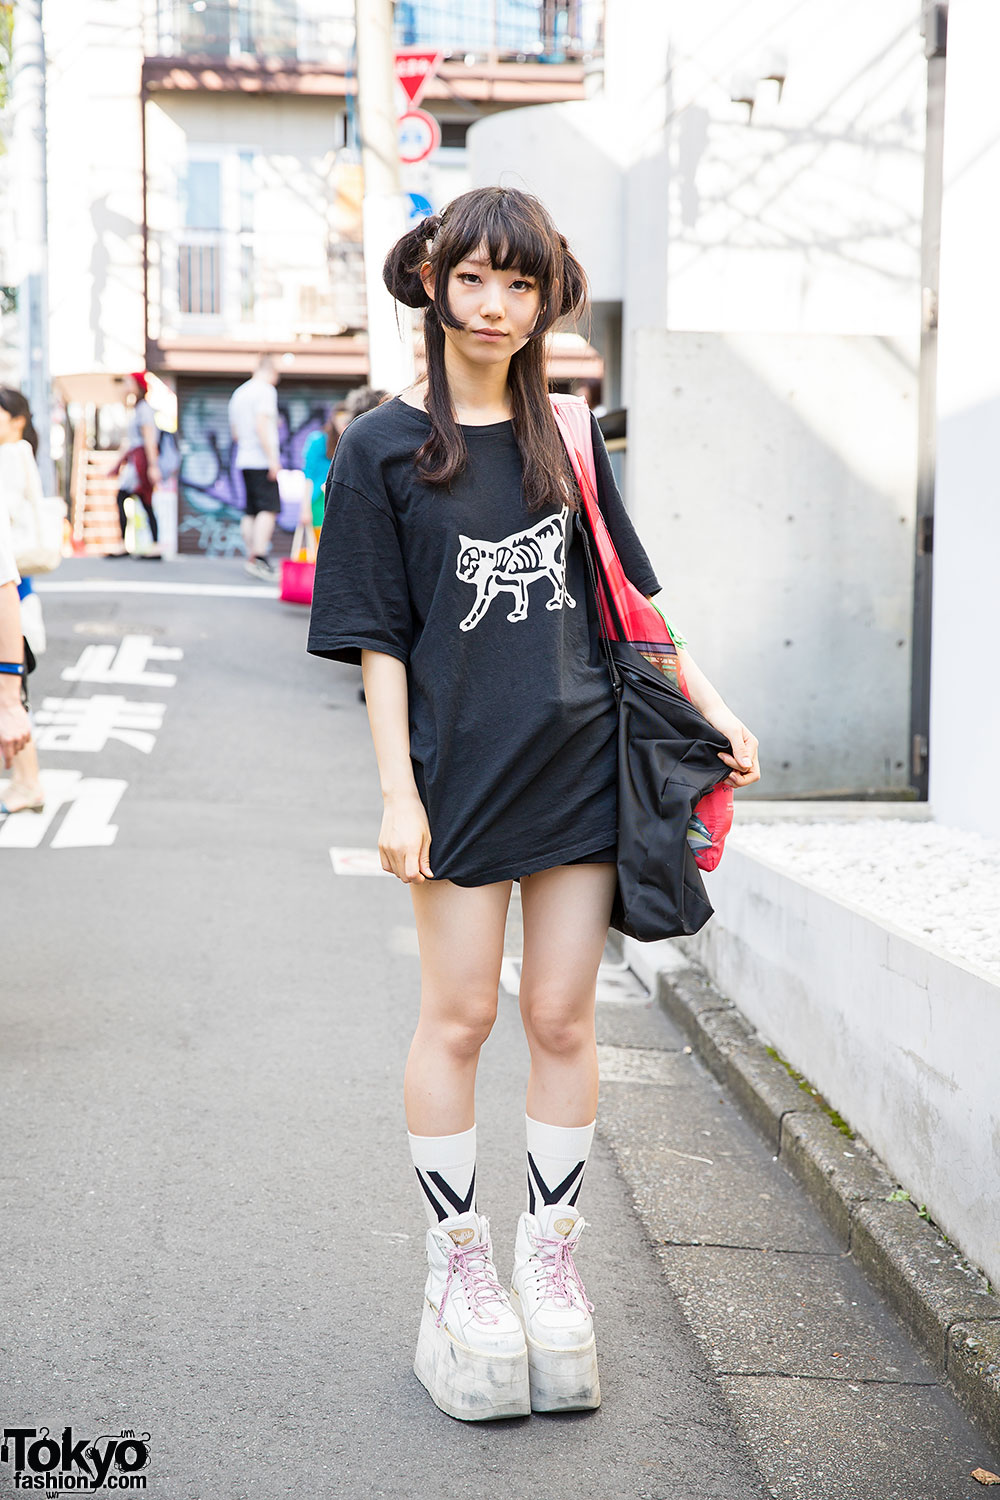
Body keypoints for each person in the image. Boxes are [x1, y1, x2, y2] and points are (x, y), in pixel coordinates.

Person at [307, 187, 761, 1423]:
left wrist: (710, 705)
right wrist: (397, 793)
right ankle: (459, 1273)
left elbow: (627, 596)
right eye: (473, 280)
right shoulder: (380, 446)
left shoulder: (569, 430)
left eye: (520, 285)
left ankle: (548, 1267)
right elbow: (376, 639)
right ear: (434, 284)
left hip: (579, 767)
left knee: (562, 1017)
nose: (495, 307)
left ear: (543, 296)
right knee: (456, 1017)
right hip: (458, 775)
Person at [0, 388, 45, 813]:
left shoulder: (11, 455)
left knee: (13, 697)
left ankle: (28, 784)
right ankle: (26, 783)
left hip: (14, 591)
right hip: (15, 586)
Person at [299, 387, 390, 536]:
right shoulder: (318, 441)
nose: (344, 423)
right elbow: (308, 476)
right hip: (320, 501)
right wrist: (305, 508)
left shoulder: (358, 440)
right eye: (341, 418)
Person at [229, 354, 281, 581]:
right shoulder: (265, 391)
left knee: (250, 510)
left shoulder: (239, 393)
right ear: (270, 370)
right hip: (260, 460)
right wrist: (272, 459)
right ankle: (259, 558)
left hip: (244, 459)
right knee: (268, 509)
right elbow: (261, 425)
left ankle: (252, 556)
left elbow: (235, 433)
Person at [106, 372, 162, 559]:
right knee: (142, 502)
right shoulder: (136, 408)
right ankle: (150, 544)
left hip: (141, 463)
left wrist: (153, 466)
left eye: (130, 383)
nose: (126, 387)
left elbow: (149, 439)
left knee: (134, 499)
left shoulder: (144, 409)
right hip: (136, 461)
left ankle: (147, 544)